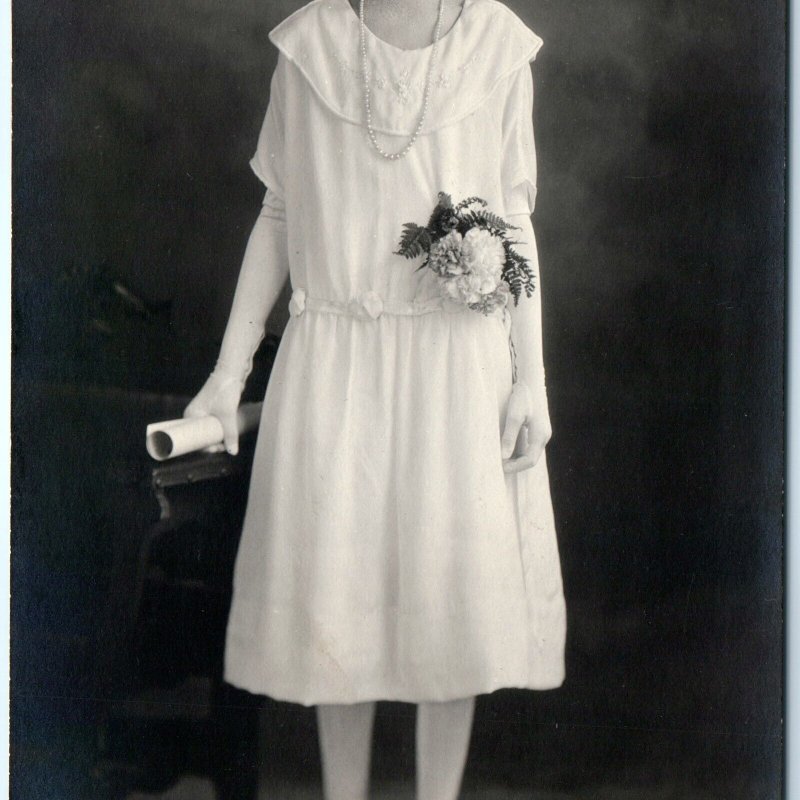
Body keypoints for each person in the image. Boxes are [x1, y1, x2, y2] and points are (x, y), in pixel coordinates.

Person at [184, 0, 567, 796]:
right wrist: (228, 376)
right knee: (339, 601)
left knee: (452, 603)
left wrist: (530, 381)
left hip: (454, 369)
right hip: (336, 362)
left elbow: (516, 219)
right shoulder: (311, 43)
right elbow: (280, 211)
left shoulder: (495, 43)